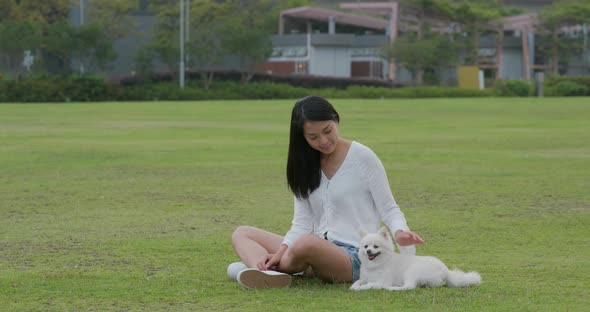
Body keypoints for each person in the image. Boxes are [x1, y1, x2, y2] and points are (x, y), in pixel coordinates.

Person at [228, 96, 424, 289]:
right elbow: (302, 223)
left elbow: (389, 208)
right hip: (318, 248)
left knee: (306, 243)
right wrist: (281, 252)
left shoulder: (363, 157)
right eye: (313, 137)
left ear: (336, 120)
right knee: (242, 233)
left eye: (327, 130)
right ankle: (266, 273)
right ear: (302, 138)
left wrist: (400, 232)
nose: (323, 141)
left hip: (357, 256)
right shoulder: (304, 166)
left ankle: (262, 268)